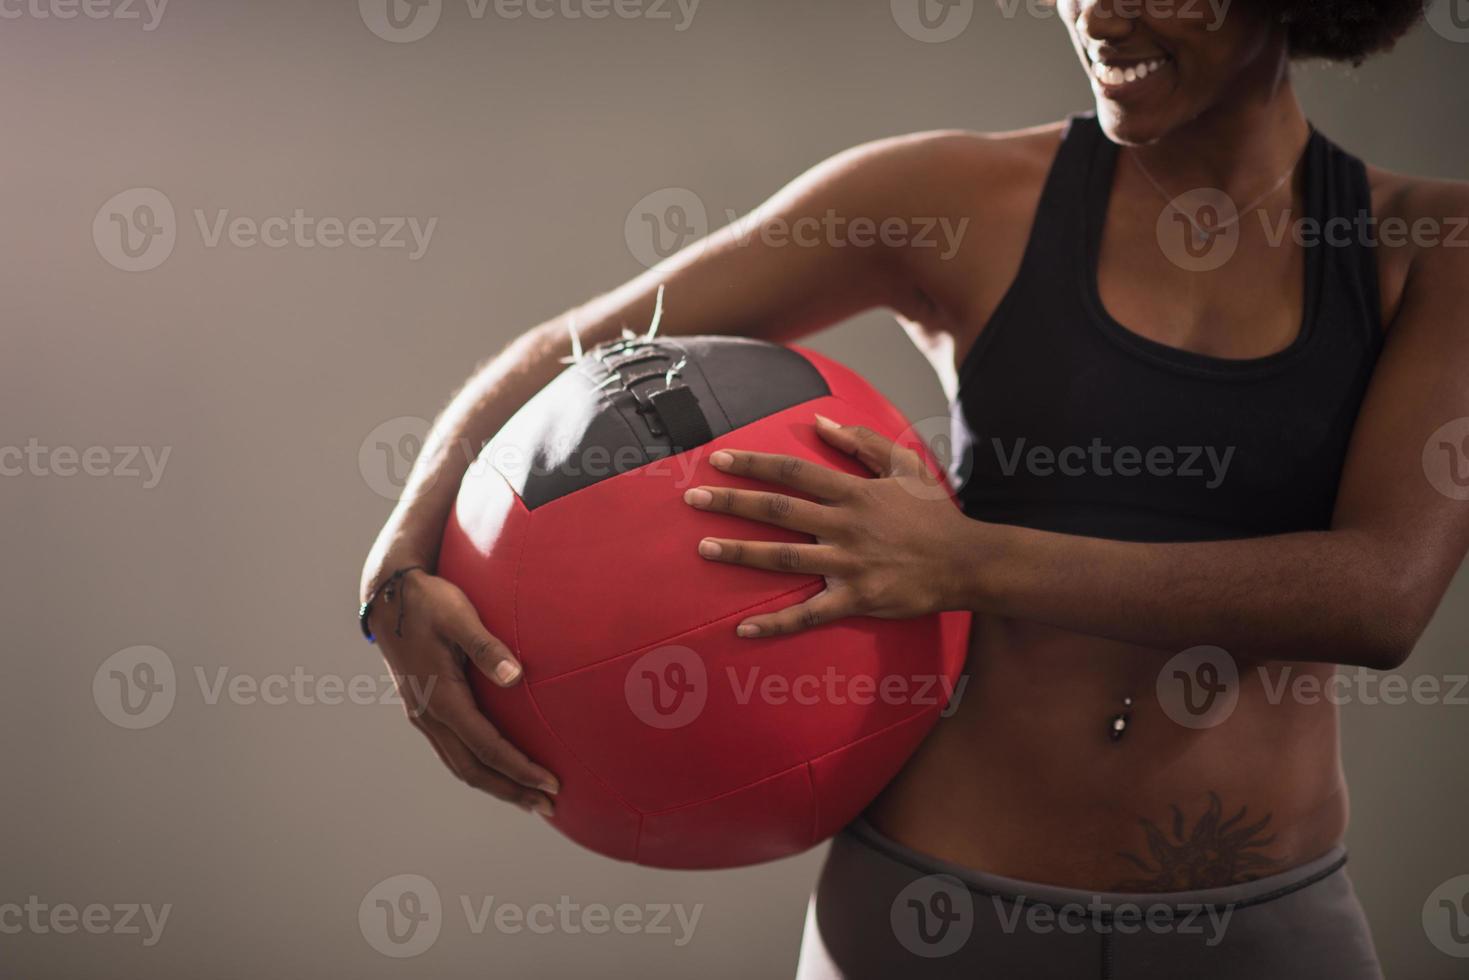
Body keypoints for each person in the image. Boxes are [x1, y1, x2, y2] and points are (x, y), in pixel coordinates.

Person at [359, 2, 1467, 975]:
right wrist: (393, 571)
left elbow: (1376, 594)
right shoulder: (954, 199)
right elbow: (570, 350)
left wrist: (966, 558)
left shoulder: (1427, 248)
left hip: (1260, 924)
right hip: (933, 908)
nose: (1102, 14)